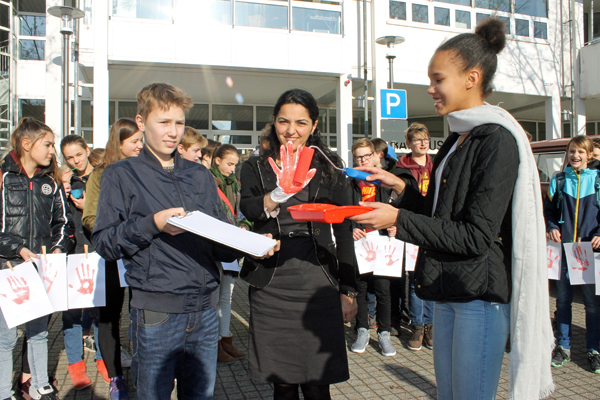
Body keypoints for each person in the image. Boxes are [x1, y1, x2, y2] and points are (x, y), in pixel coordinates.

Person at [349, 18, 554, 399]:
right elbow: (438, 214)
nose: (431, 89)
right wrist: (397, 186)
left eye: (438, 79)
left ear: (471, 78)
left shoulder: (495, 140)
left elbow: (476, 236)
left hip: (479, 299)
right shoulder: (459, 138)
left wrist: (397, 217)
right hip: (447, 292)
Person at [92, 83, 250, 400]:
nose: (173, 131)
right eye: (163, 122)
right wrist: (153, 224)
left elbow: (218, 240)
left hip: (206, 310)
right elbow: (105, 243)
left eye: (178, 123)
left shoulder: (200, 175)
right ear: (141, 122)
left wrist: (246, 241)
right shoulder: (119, 175)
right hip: (156, 312)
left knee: (200, 395)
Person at [240, 88, 358, 400]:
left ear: (314, 125)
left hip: (317, 280)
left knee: (319, 383)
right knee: (282, 382)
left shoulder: (330, 166)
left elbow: (344, 231)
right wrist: (278, 193)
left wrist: (348, 289)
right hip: (271, 283)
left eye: (301, 123)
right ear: (274, 122)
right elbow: (250, 208)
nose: (291, 130)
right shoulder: (257, 165)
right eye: (283, 121)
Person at [0, 118, 74, 400]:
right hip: (7, 269)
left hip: (42, 270)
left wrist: (56, 249)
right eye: (47, 144)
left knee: (39, 332)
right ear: (26, 144)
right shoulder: (3, 178)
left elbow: (64, 224)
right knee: (5, 338)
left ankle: (40, 385)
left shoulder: (50, 182)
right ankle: (4, 391)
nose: (52, 151)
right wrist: (18, 248)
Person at [82, 118, 143, 400]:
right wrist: (121, 232)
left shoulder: (146, 171)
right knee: (109, 318)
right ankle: (115, 376)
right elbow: (90, 218)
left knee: (141, 314)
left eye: (141, 141)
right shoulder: (100, 174)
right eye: (134, 142)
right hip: (112, 256)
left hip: (142, 255)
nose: (140, 147)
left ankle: (145, 371)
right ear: (119, 144)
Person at [544, 135, 600, 373]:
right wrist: (553, 227)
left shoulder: (598, 180)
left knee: (592, 304)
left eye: (581, 152)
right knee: (563, 300)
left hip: (587, 251)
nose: (575, 156)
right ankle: (563, 347)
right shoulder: (559, 180)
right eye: (572, 151)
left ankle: (593, 350)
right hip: (564, 251)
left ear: (589, 155)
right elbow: (549, 212)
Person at [59, 135, 106, 388]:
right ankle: (76, 366)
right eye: (70, 157)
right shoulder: (65, 183)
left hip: (97, 249)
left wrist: (90, 205)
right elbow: (59, 218)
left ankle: (101, 358)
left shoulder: (100, 178)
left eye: (79, 154)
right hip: (72, 252)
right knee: (72, 312)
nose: (76, 160)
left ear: (87, 150)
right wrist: (63, 192)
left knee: (99, 309)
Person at [348, 138, 396, 357]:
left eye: (366, 155)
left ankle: (384, 334)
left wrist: (396, 226)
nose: (362, 159)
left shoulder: (385, 181)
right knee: (361, 288)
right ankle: (362, 330)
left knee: (384, 290)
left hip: (383, 240)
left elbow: (398, 209)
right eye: (358, 156)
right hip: (361, 241)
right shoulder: (348, 182)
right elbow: (341, 210)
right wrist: (351, 228)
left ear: (374, 155)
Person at [393, 122, 434, 351]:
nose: (423, 142)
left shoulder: (437, 166)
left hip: (434, 227)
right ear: (408, 144)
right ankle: (418, 326)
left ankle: (431, 325)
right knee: (415, 278)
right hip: (411, 228)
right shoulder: (401, 169)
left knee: (433, 276)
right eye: (418, 139)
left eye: (426, 138)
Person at [208, 144, 251, 364]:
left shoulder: (234, 183)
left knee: (228, 296)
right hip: (216, 247)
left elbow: (241, 210)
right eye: (229, 164)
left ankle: (226, 340)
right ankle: (214, 344)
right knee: (214, 298)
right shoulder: (209, 182)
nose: (233, 169)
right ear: (217, 160)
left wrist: (243, 224)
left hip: (233, 246)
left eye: (235, 164)